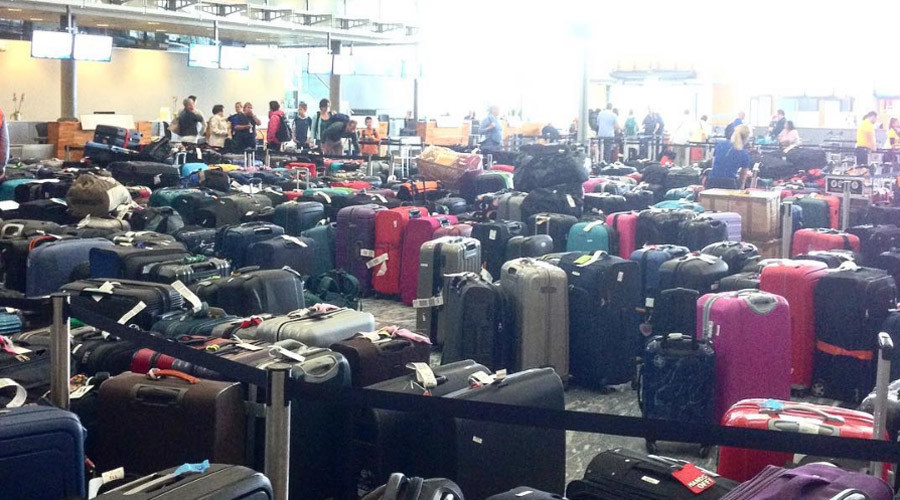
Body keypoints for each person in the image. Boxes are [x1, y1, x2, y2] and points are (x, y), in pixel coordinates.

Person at [708, 124, 752, 189]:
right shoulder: (744, 154)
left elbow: (713, 164)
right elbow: (742, 179)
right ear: (747, 138)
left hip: (712, 182)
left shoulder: (720, 144)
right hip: (729, 184)